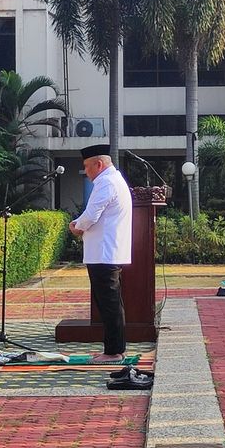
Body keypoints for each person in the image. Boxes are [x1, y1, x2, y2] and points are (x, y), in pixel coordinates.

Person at [69, 144, 133, 362]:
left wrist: (76, 226)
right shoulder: (114, 180)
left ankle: (114, 352)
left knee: (109, 304)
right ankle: (115, 349)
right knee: (110, 303)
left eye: (87, 167)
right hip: (107, 251)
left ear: (99, 164)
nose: (85, 172)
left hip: (104, 253)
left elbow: (91, 214)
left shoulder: (106, 182)